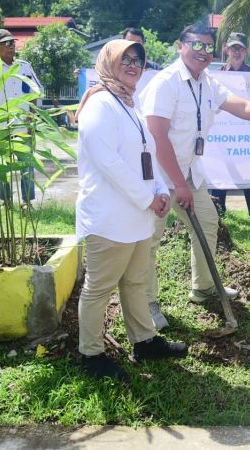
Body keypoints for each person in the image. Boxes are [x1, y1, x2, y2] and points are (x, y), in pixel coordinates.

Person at [141, 23, 250, 328]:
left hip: (188, 171)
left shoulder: (206, 82)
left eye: (208, 47)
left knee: (207, 221)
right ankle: (147, 303)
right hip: (156, 177)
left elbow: (241, 106)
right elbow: (157, 137)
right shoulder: (165, 83)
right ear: (181, 46)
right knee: (150, 239)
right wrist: (178, 185)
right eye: (196, 45)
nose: (202, 52)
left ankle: (203, 288)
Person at [74, 39, 187, 381]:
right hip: (109, 218)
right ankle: (90, 355)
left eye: (138, 60)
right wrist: (147, 197)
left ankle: (144, 341)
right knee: (99, 289)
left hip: (137, 217)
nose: (134, 65)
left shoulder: (128, 103)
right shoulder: (99, 104)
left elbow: (145, 156)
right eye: (126, 59)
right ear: (108, 62)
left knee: (136, 282)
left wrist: (160, 189)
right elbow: (109, 162)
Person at [209, 32, 250, 225]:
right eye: (233, 48)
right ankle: (219, 214)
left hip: (247, 136)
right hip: (221, 136)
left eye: (240, 48)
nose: (237, 52)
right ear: (226, 49)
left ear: (246, 51)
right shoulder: (216, 76)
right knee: (219, 173)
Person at [0, 29, 44, 202]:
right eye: (6, 43)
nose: (11, 47)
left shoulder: (24, 66)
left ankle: (27, 202)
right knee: (2, 166)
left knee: (27, 165)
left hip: (23, 127)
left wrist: (32, 118)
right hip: (0, 129)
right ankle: (6, 201)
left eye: (13, 43)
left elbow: (36, 92)